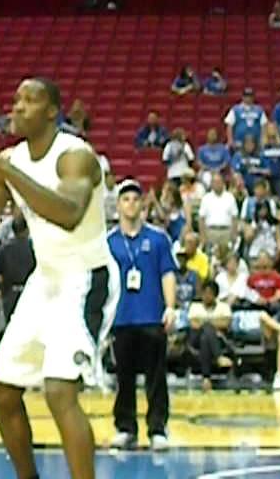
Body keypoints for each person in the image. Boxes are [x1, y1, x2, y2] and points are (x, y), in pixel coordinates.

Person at [0, 77, 120, 479]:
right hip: (44, 280)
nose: (18, 107)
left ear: (52, 111)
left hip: (85, 278)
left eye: (31, 100)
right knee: (3, 392)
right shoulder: (9, 162)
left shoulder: (75, 156)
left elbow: (67, 213)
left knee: (60, 392)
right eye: (16, 99)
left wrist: (1, 166)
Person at [107, 178, 176, 450]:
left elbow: (167, 273)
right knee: (123, 377)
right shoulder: (108, 242)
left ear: (142, 204)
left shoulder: (158, 239)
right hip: (121, 317)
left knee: (156, 377)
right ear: (118, 205)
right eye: (126, 199)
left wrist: (170, 307)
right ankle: (126, 428)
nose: (131, 204)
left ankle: (157, 428)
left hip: (151, 317)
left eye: (136, 199)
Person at [187, 281, 233, 392]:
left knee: (205, 338)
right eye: (205, 293)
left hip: (219, 340)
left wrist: (204, 322)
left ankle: (206, 379)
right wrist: (213, 322)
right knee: (206, 328)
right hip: (195, 340)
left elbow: (226, 323)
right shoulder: (195, 306)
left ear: (215, 295)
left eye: (210, 293)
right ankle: (218, 357)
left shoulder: (224, 306)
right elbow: (193, 324)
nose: (206, 296)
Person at [0, 215, 36, 321]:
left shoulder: (4, 249)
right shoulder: (34, 248)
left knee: (10, 326)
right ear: (27, 229)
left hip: (9, 294)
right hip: (30, 293)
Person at [198, 173, 238, 252]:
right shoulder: (206, 198)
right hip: (210, 232)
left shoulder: (230, 197)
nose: (217, 184)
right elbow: (201, 218)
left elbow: (234, 217)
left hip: (226, 232)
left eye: (219, 182)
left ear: (223, 183)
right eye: (215, 182)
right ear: (212, 184)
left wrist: (234, 235)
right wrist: (203, 236)